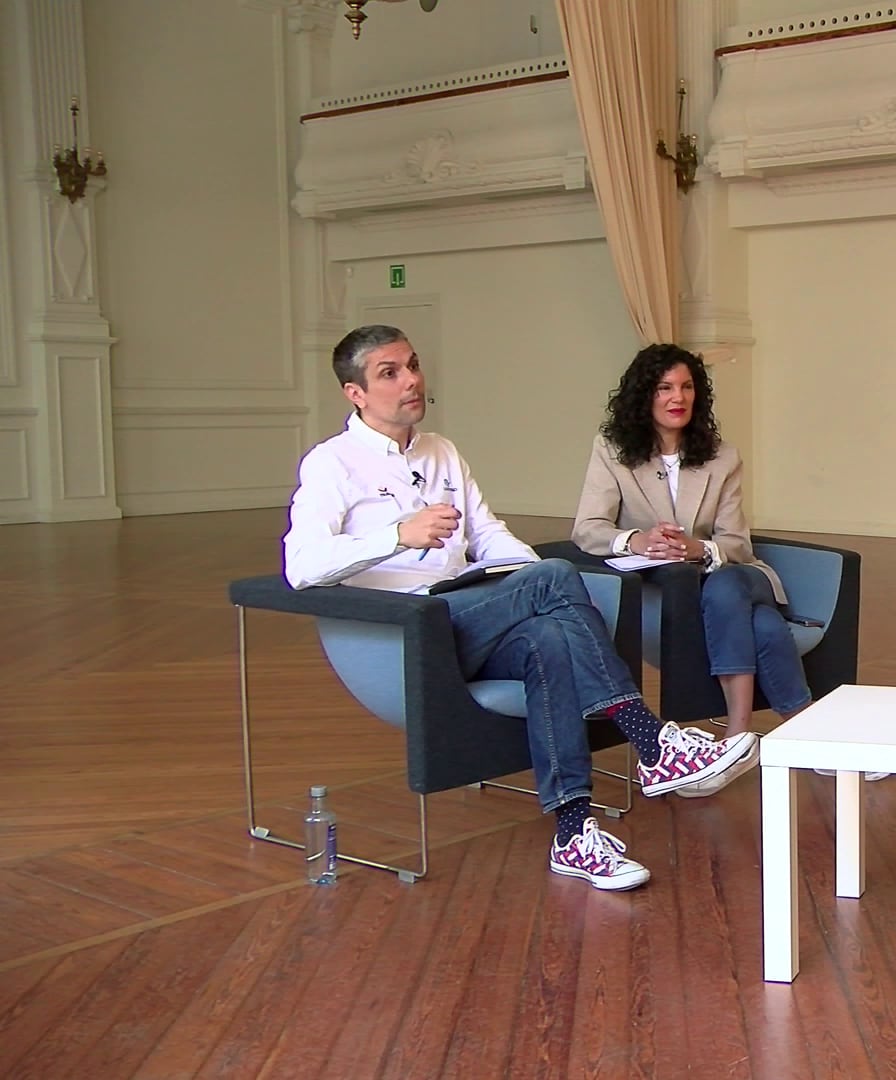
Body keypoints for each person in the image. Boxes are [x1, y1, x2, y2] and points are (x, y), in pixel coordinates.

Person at [283, 325, 754, 892]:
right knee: (555, 577)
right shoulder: (331, 463)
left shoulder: (441, 451)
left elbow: (489, 535)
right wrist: (398, 536)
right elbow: (302, 565)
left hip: (474, 614)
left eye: (412, 365)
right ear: (355, 393)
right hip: (412, 630)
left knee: (551, 638)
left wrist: (528, 577)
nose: (411, 381)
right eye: (390, 373)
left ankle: (575, 833)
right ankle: (650, 741)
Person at [571, 343, 886, 792]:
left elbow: (736, 544)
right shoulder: (612, 452)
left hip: (740, 575)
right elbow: (587, 529)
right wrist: (636, 540)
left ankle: (736, 736)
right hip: (675, 591)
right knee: (764, 626)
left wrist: (696, 549)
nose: (677, 397)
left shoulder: (722, 457)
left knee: (725, 588)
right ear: (644, 396)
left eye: (686, 387)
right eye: (664, 388)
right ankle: (812, 737)